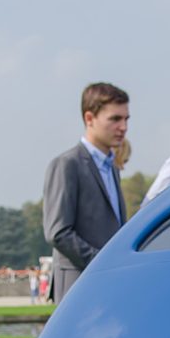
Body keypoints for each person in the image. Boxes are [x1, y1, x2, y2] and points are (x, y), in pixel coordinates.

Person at [41, 82, 130, 301]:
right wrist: (102, 262)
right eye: (115, 119)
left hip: (107, 283)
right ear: (89, 118)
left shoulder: (112, 168)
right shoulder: (67, 164)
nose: (123, 127)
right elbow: (58, 232)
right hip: (78, 286)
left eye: (126, 119)